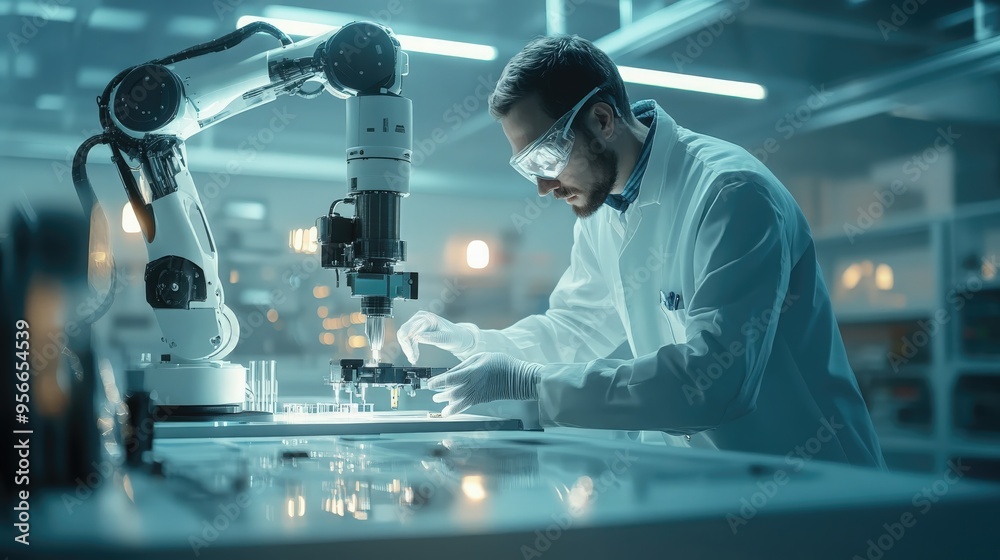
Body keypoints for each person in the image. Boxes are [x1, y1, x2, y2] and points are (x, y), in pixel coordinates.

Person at [397, 35, 886, 469]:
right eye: (530, 167)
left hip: (810, 482)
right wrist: (477, 344)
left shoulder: (730, 195)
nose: (544, 187)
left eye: (547, 157)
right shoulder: (604, 207)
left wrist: (532, 386)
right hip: (708, 488)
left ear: (603, 119)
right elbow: (578, 326)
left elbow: (713, 382)